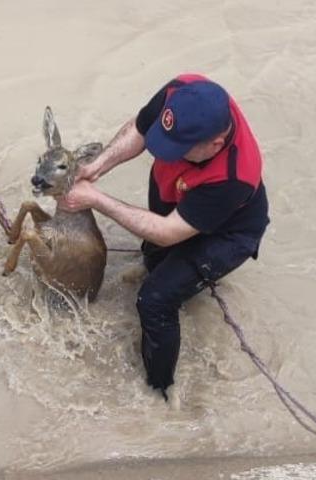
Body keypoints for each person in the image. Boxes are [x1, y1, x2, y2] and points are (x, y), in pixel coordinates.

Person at [59, 73, 270, 400]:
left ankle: (159, 392)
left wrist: (96, 200)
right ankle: (181, 284)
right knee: (154, 258)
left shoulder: (234, 176)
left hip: (227, 233)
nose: (165, 152)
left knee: (155, 300)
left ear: (214, 144)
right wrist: (96, 167)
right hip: (181, 195)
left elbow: (169, 232)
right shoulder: (183, 91)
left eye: (178, 149)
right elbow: (141, 128)